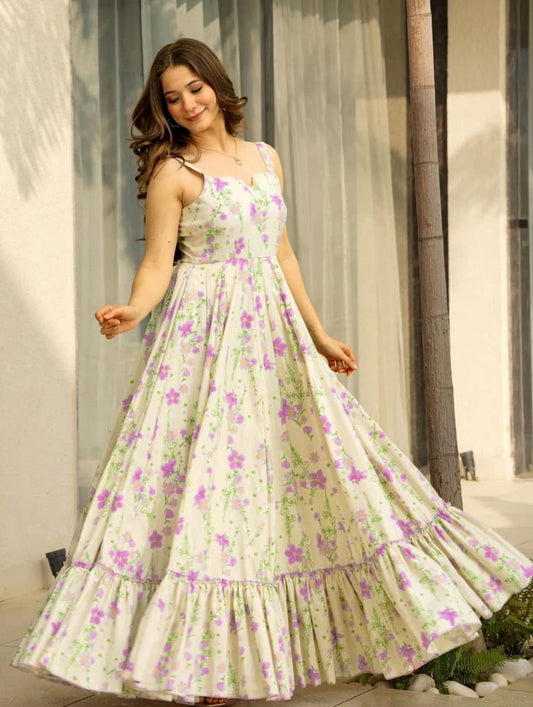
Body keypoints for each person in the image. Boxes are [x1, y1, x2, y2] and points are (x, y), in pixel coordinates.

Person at [12, 37, 533, 706]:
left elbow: (282, 255)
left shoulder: (265, 158)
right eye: (172, 97)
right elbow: (158, 263)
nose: (187, 103)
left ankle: (277, 647)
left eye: (194, 88)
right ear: (163, 108)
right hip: (202, 343)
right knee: (210, 487)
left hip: (273, 339)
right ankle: (201, 664)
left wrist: (320, 334)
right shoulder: (174, 172)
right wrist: (134, 310)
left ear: (215, 84)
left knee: (287, 482)